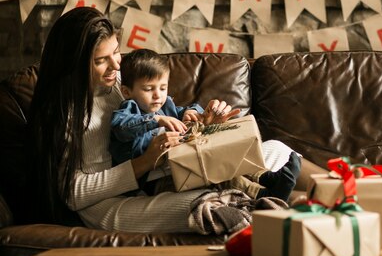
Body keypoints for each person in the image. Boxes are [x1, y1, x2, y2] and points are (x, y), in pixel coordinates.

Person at [29, 7, 306, 233]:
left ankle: (292, 194)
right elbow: (74, 194)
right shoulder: (65, 112)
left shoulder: (118, 84)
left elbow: (162, 117)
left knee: (276, 150)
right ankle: (279, 203)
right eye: (102, 60)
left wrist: (202, 123)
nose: (116, 65)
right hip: (108, 204)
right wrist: (143, 163)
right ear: (75, 63)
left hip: (153, 177)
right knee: (211, 205)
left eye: (116, 51)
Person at [110, 48, 298, 200]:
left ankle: (266, 178)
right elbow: (121, 127)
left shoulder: (165, 105)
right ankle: (263, 194)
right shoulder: (130, 108)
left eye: (163, 87)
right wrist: (155, 119)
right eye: (148, 89)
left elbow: (183, 111)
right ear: (127, 92)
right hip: (155, 180)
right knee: (215, 175)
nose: (158, 95)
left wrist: (193, 113)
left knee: (223, 160)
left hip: (182, 163)